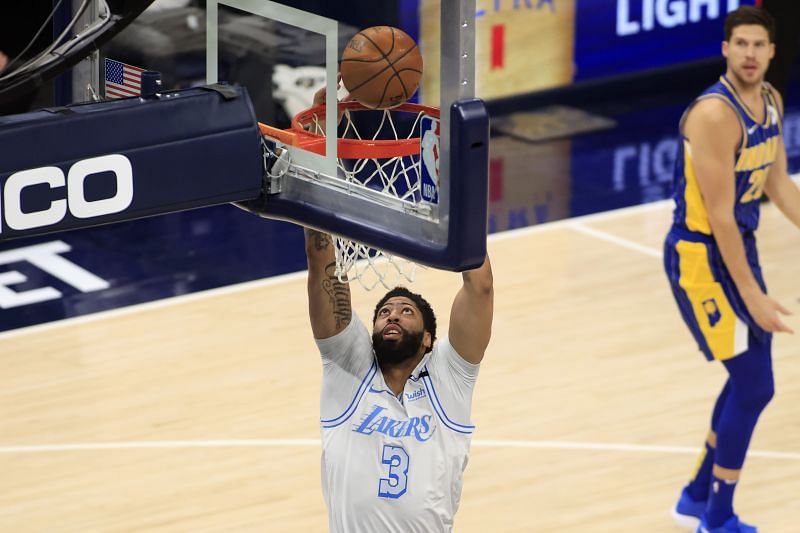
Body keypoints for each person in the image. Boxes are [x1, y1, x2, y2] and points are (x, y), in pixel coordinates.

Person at [664, 6, 800, 533]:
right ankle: (716, 518)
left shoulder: (770, 101)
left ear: (770, 51)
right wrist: (754, 296)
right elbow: (719, 217)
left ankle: (696, 496)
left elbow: (779, 185)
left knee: (747, 381)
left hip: (739, 248)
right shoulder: (713, 115)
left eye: (757, 45)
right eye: (739, 43)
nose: (748, 53)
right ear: (725, 49)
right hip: (700, 257)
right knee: (756, 385)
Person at [303, 227, 493, 532]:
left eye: (406, 311)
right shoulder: (348, 370)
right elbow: (321, 262)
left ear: (428, 339)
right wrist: (311, 203)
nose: (392, 316)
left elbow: (480, 286)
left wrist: (463, 210)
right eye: (384, 313)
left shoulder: (448, 380)